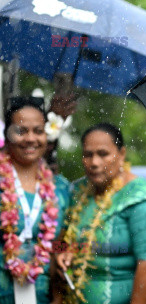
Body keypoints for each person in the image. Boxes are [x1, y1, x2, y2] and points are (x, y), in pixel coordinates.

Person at [54, 123, 146, 304]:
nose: (94, 163)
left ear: (121, 154)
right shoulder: (77, 192)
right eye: (88, 155)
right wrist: (62, 254)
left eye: (103, 154)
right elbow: (60, 243)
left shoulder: (143, 201)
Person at [0, 96, 70, 303]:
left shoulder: (61, 188)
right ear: (7, 134)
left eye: (38, 131)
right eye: (21, 131)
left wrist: (63, 254)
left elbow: (61, 242)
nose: (31, 138)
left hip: (43, 297)